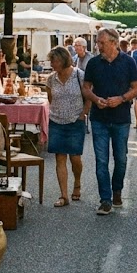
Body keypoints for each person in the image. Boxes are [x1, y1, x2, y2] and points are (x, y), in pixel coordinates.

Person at [83, 28, 137, 216]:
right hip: (99, 119)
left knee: (121, 159)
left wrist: (122, 98)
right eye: (98, 42)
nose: (98, 46)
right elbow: (86, 88)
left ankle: (117, 189)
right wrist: (94, 98)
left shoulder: (128, 62)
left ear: (114, 43)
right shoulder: (93, 63)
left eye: (102, 42)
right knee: (101, 160)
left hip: (121, 118)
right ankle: (105, 200)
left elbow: (136, 88)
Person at [46, 46, 90, 207]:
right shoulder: (51, 79)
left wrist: (83, 113)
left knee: (75, 158)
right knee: (60, 158)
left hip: (75, 121)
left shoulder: (79, 75)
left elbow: (88, 96)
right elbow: (50, 98)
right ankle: (64, 195)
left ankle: (77, 182)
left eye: (54, 60)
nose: (52, 64)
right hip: (56, 121)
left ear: (63, 60)